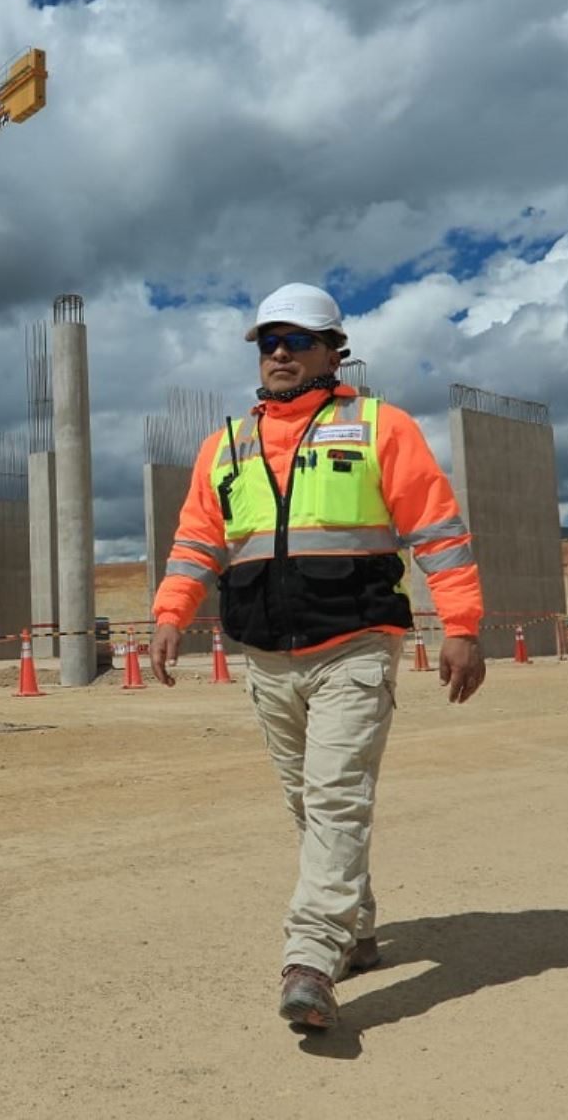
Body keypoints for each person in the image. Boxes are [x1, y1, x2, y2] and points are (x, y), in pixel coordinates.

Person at [148, 282, 486, 1030]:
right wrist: (172, 611)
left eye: (297, 340)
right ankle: (358, 928)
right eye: (269, 339)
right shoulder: (226, 445)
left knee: (335, 798)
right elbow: (198, 540)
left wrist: (459, 623)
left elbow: (438, 531)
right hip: (265, 654)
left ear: (336, 352)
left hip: (356, 646)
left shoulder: (378, 427)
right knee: (307, 803)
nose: (279, 352)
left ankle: (310, 958)